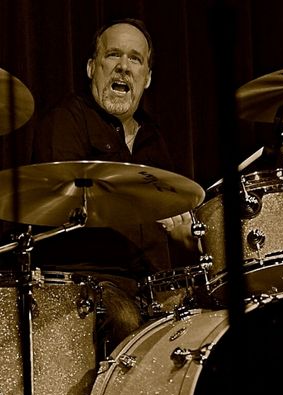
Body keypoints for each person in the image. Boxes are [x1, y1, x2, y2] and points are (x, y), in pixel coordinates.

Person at [29, 18, 200, 355]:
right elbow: (59, 204)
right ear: (92, 67)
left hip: (150, 285)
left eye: (135, 59)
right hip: (84, 283)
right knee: (125, 319)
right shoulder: (67, 120)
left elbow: (172, 223)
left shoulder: (155, 139)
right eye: (113, 56)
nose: (123, 67)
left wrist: (184, 236)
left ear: (147, 78)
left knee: (202, 324)